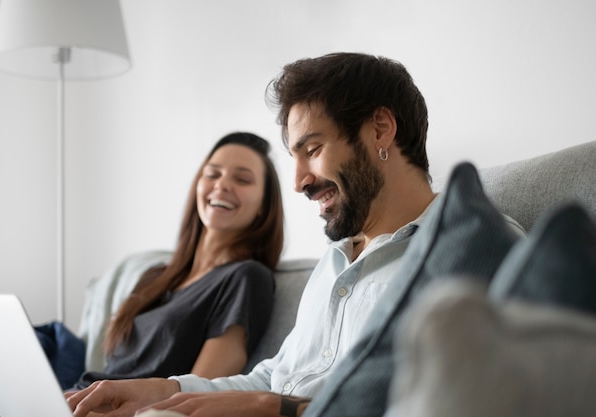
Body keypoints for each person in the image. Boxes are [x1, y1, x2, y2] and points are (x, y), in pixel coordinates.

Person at [66, 52, 438, 417]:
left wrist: (277, 408)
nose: (298, 182)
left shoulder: (464, 249)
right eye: (295, 157)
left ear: (380, 130)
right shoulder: (335, 261)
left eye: (313, 149)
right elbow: (273, 378)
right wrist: (162, 390)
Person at [74, 131, 285, 388]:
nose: (222, 185)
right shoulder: (154, 277)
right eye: (212, 174)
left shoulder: (247, 278)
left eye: (242, 179)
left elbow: (198, 392)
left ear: (264, 204)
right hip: (80, 397)